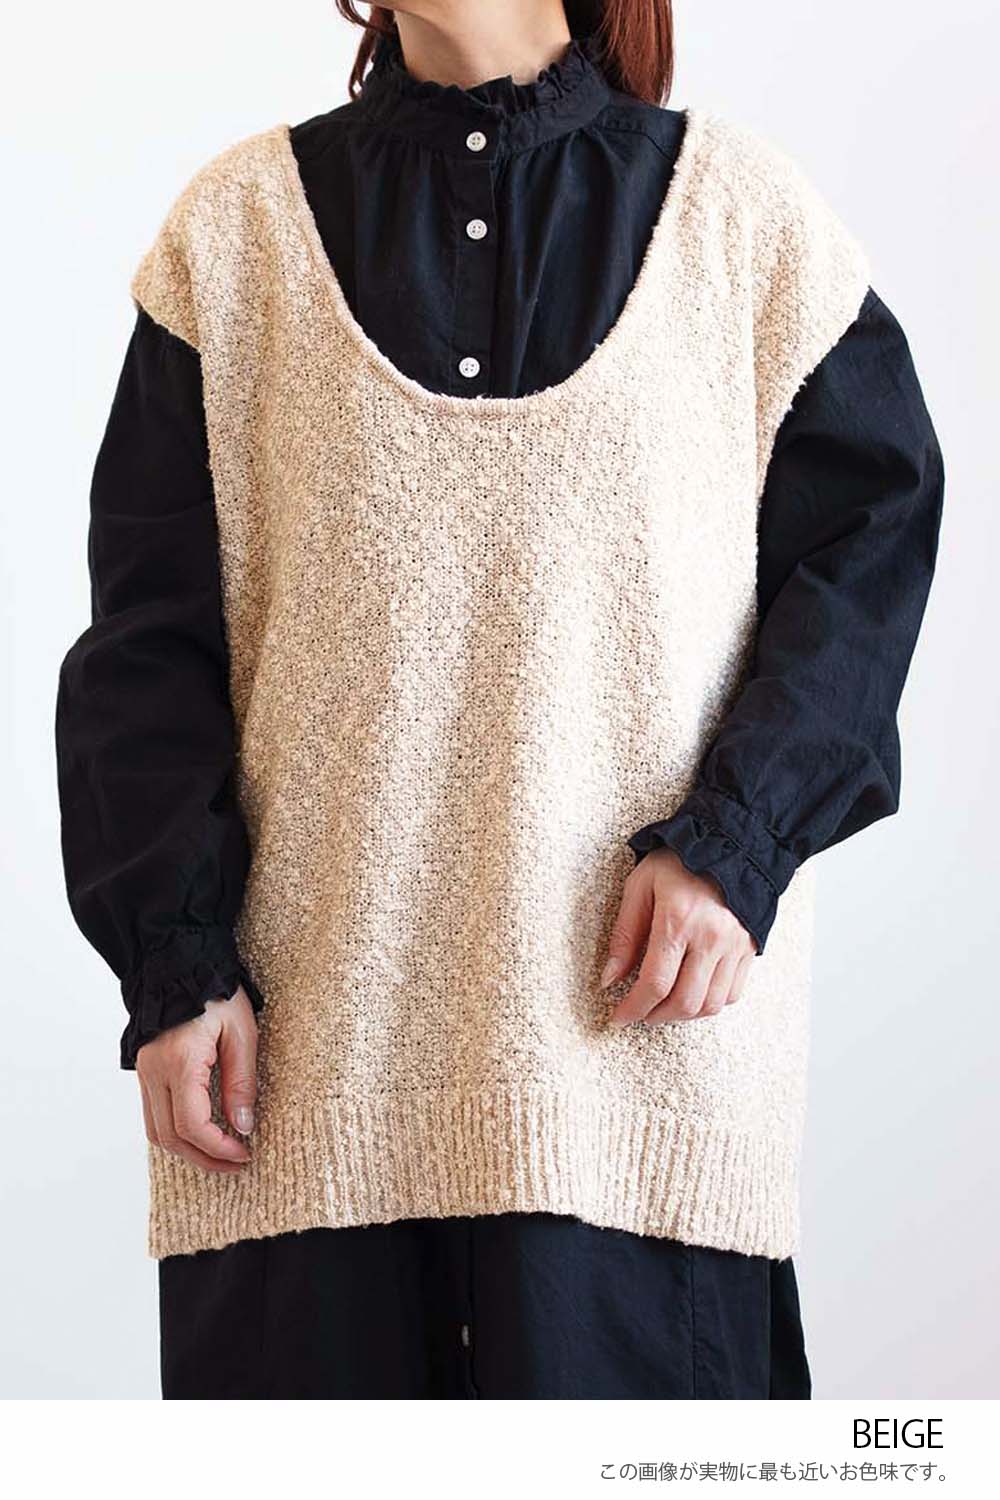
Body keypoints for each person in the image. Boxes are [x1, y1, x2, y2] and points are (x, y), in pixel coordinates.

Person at [54, 0, 944, 1399]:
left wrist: (737, 845)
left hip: (632, 1109)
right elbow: (145, 646)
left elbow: (870, 546)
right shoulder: (231, 240)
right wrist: (175, 966)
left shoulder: (746, 227)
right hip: (303, 1105)